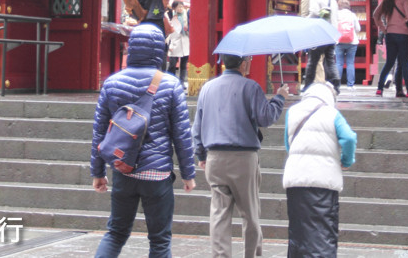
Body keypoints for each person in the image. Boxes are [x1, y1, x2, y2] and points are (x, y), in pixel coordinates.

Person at [90, 25, 196, 257]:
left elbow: (100, 132)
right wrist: (188, 173)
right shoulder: (170, 85)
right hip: (157, 174)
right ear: (159, 50)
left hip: (123, 169)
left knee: (116, 233)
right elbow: (181, 134)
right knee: (159, 240)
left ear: (132, 48)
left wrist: (98, 172)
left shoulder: (111, 83)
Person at [193, 54, 290, 258]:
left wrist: (200, 153)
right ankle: (251, 254)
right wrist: (279, 97)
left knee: (219, 214)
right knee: (250, 212)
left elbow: (197, 126)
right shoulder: (250, 87)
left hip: (214, 158)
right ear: (244, 63)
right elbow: (266, 117)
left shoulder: (207, 88)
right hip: (243, 157)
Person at [282, 81, 357, 257]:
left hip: (295, 179)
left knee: (299, 233)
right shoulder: (332, 113)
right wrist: (346, 161)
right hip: (323, 181)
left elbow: (288, 143)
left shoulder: (292, 111)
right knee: (322, 233)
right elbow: (349, 138)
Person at [303, 0, 341, 93]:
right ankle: (336, 83)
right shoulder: (333, 0)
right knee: (330, 60)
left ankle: (308, 85)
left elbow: (314, 12)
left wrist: (305, 22)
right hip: (331, 33)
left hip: (319, 34)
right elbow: (336, 18)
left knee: (313, 60)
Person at [333, 0, 361, 93]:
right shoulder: (352, 15)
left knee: (339, 63)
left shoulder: (336, 15)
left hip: (339, 41)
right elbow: (358, 28)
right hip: (352, 42)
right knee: (350, 63)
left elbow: (333, 27)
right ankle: (350, 85)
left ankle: (337, 85)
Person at [165, 0, 190, 86]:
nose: (180, 9)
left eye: (181, 7)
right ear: (174, 8)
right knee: (172, 63)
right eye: (178, 7)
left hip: (185, 40)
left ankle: (181, 82)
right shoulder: (170, 15)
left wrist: (187, 29)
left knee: (184, 64)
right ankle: (170, 81)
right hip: (174, 41)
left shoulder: (186, 15)